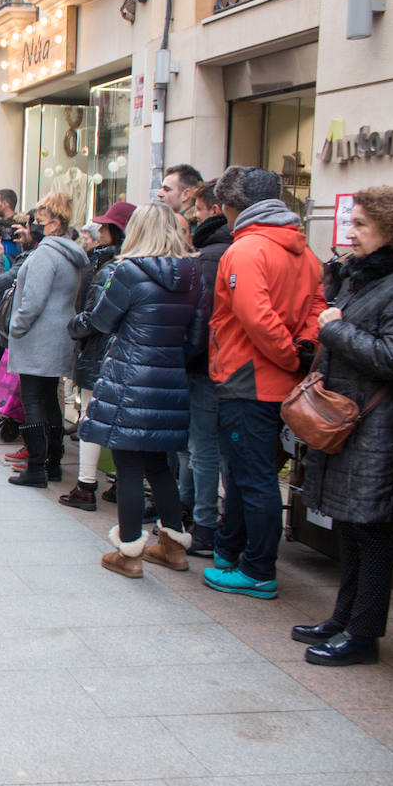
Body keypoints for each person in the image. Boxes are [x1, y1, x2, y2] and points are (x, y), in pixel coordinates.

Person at [293, 187, 393, 666]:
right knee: (350, 526)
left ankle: (363, 634)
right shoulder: (363, 276)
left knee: (371, 531)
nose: (351, 231)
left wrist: (335, 328)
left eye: (361, 223)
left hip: (379, 427)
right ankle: (344, 617)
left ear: (391, 228)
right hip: (351, 422)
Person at [204, 166, 325, 599]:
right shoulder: (303, 251)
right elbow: (317, 305)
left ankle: (257, 569)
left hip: (248, 377)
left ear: (230, 206)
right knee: (247, 473)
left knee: (252, 478)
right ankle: (231, 549)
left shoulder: (247, 250)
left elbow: (256, 318)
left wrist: (291, 354)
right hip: (277, 379)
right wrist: (303, 349)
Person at [79, 204, 205, 576]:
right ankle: (173, 547)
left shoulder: (128, 272)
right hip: (170, 380)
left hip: (129, 379)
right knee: (160, 465)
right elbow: (196, 337)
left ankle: (130, 552)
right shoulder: (193, 274)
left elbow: (102, 321)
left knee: (129, 465)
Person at [5, 198, 89, 487]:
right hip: (59, 334)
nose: (34, 224)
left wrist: (16, 327)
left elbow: (32, 301)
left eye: (39, 219)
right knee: (49, 397)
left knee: (33, 398)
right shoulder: (71, 255)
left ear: (54, 223)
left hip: (37, 336)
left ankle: (37, 466)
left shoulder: (46, 255)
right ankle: (53, 462)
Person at [60, 201, 135, 510]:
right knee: (120, 422)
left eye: (105, 227)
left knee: (92, 418)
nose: (99, 231)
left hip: (100, 353)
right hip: (124, 355)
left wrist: (74, 326)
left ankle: (86, 484)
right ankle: (118, 482)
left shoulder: (111, 267)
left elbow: (95, 317)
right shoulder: (134, 264)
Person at [177, 181, 229, 553]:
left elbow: (201, 319)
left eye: (196, 210)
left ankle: (204, 523)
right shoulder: (223, 250)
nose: (193, 217)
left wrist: (184, 356)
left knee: (203, 446)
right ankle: (199, 515)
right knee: (212, 447)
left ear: (214, 210)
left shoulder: (211, 256)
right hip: (230, 367)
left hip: (209, 366)